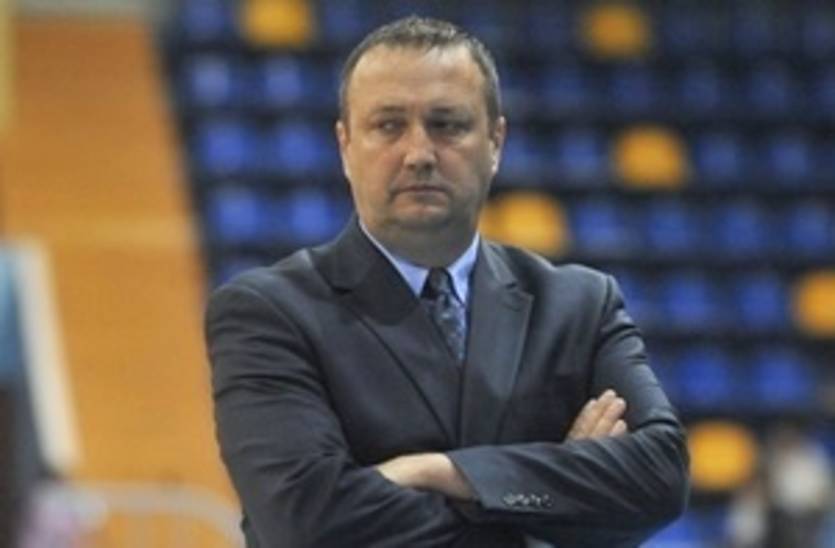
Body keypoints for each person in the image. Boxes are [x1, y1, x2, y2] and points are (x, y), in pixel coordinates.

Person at [205, 16, 689, 548]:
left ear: (496, 142)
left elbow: (661, 476)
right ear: (345, 146)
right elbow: (306, 521)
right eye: (388, 125)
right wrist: (552, 494)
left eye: (447, 125)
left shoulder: (580, 305)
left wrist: (437, 471)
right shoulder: (267, 312)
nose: (419, 154)